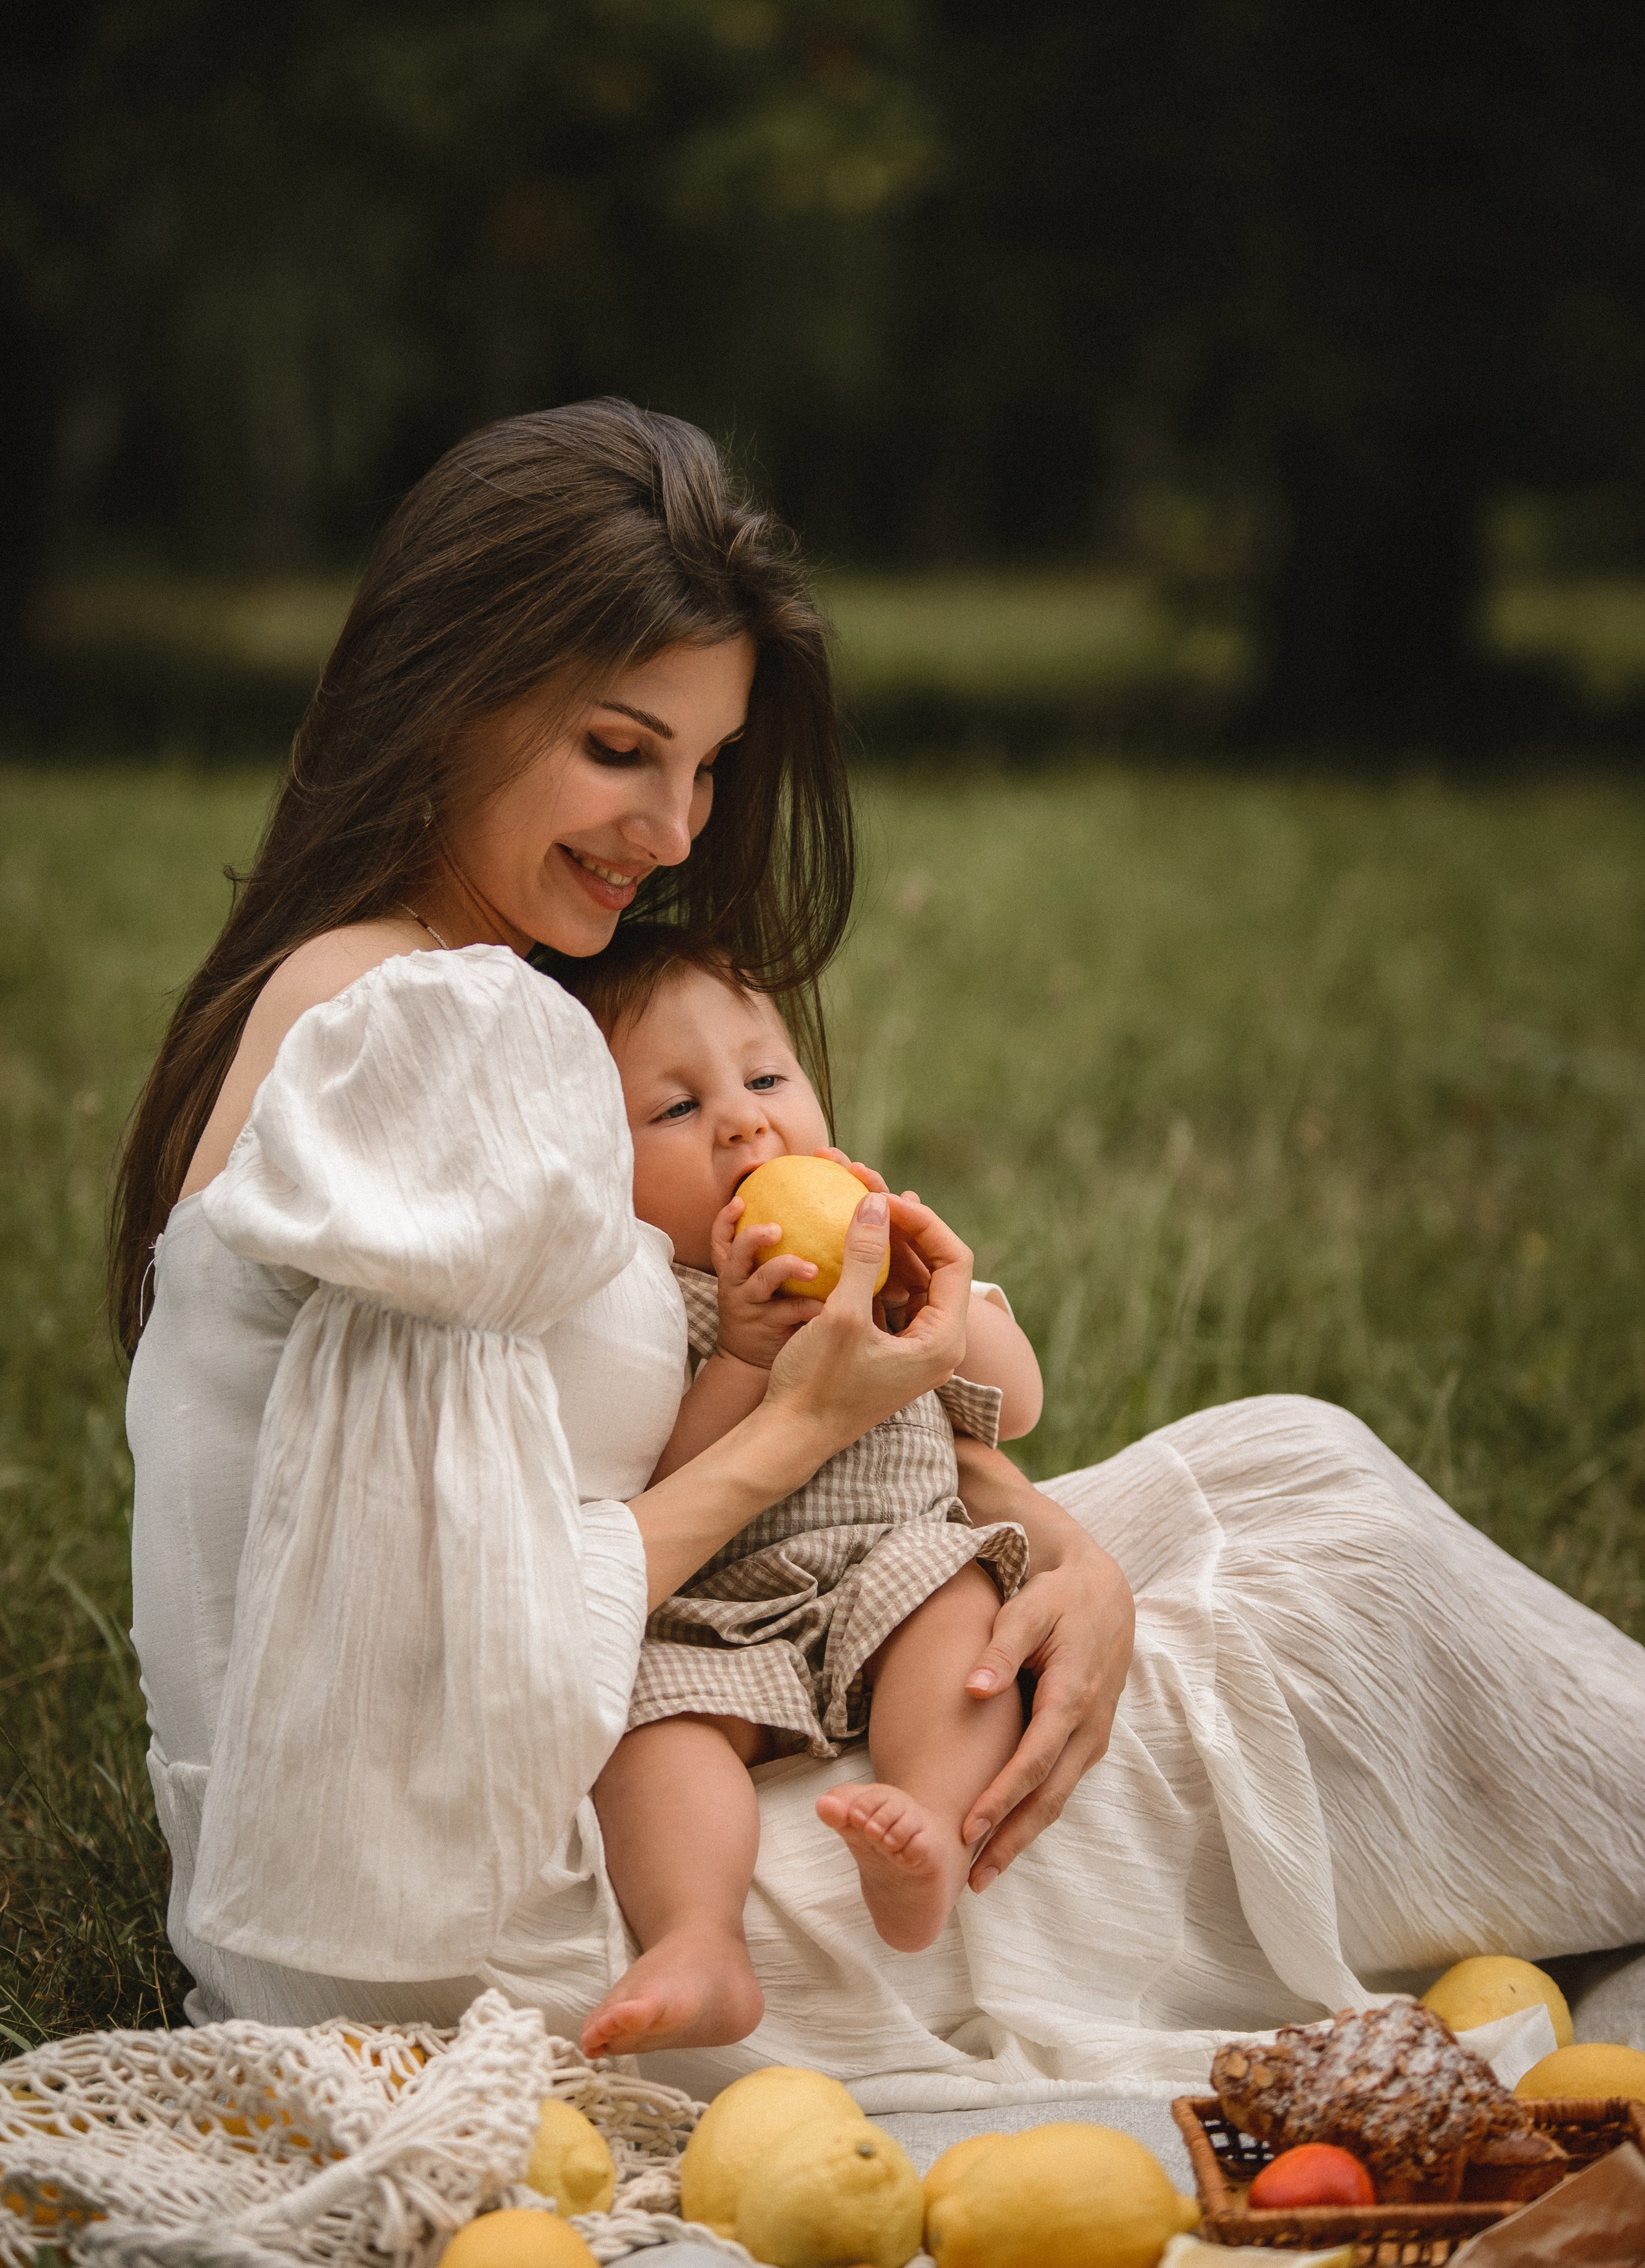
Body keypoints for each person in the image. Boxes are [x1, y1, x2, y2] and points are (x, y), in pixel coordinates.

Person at [117, 399, 1645, 2102]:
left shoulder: (414, 1000)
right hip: (502, 1915)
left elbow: (663, 1499)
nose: (680, 831)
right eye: (622, 752)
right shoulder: (433, 1041)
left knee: (1281, 1468)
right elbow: (476, 1680)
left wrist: (1067, 1555)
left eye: (704, 767)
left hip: (628, 1737)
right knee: (1335, 1602)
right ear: (446, 693)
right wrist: (798, 1416)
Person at [558, 930, 1045, 2057]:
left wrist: (944, 1301)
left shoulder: (885, 1260)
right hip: (727, 1622)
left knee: (964, 1615)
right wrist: (738, 1353)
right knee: (651, 1728)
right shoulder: (650, 1306)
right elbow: (675, 1481)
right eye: (673, 1111)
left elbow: (1014, 1401)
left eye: (766, 1078)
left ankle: (923, 1817)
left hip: (894, 1565)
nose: (742, 1121)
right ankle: (697, 1939)